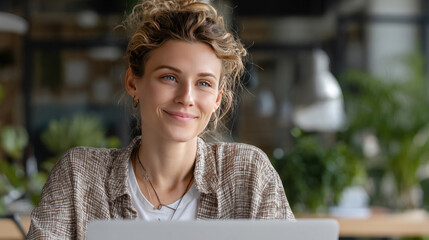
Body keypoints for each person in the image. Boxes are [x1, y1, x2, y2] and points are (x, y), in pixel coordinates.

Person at [27, 0, 294, 239]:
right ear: (133, 82)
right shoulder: (80, 176)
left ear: (217, 98)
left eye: (203, 83)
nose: (186, 97)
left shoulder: (249, 174)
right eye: (169, 77)